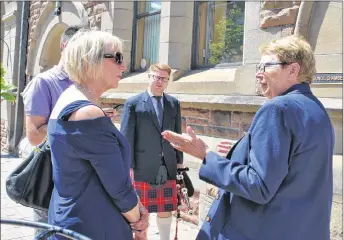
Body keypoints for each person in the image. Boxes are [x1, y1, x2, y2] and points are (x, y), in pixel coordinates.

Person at [162, 35, 334, 240]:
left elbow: (259, 186)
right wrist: (241, 154)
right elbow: (293, 172)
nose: (258, 75)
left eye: (265, 67)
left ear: (293, 70)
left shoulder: (277, 108)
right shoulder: (318, 111)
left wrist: (206, 155)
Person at [47, 30, 149, 239]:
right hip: (92, 225)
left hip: (71, 217)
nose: (124, 66)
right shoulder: (86, 113)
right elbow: (118, 187)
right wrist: (139, 222)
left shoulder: (69, 97)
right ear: (89, 60)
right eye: (118, 58)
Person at [21, 25, 89, 234]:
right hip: (49, 173)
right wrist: (76, 120)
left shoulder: (82, 84)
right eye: (84, 48)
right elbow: (34, 136)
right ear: (66, 47)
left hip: (75, 173)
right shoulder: (44, 82)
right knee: (47, 231)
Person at [120, 63, 183, 240]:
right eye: (156, 77)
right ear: (149, 77)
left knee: (165, 210)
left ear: (168, 81)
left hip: (167, 165)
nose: (160, 81)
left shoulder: (173, 103)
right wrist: (127, 166)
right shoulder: (133, 104)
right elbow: (126, 138)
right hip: (141, 167)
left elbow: (177, 134)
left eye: (164, 78)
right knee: (141, 213)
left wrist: (179, 162)